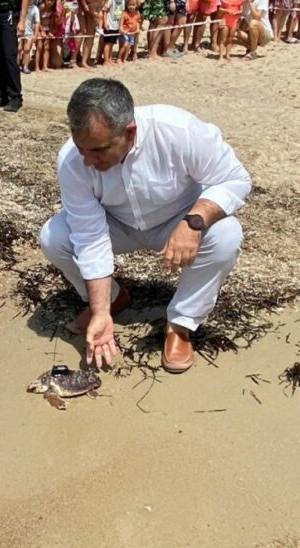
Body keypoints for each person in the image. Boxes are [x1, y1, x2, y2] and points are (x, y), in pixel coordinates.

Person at [39, 78, 249, 373]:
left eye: (98, 150)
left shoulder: (178, 130)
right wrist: (100, 310)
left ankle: (180, 324)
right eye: (81, 148)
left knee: (226, 235)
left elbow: (234, 178)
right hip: (118, 224)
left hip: (176, 219)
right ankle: (112, 300)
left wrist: (194, 222)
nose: (87, 160)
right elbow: (90, 235)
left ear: (129, 132)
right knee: (54, 236)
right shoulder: (73, 161)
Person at [0, 0, 29, 111]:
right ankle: (1, 95)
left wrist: (22, 20)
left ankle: (15, 97)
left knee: (9, 56)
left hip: (8, 13)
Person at [100, 0, 125, 65]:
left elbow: (122, 13)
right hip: (109, 25)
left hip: (116, 25)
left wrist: (120, 26)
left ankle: (109, 59)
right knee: (107, 43)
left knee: (112, 43)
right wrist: (105, 23)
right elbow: (105, 11)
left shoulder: (123, 1)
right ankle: (105, 61)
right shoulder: (110, 0)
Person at [19, 0, 39, 72]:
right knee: (18, 49)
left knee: (27, 49)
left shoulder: (35, 9)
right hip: (19, 32)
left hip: (29, 32)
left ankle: (25, 66)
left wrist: (36, 34)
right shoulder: (20, 6)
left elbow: (37, 22)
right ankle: (17, 66)